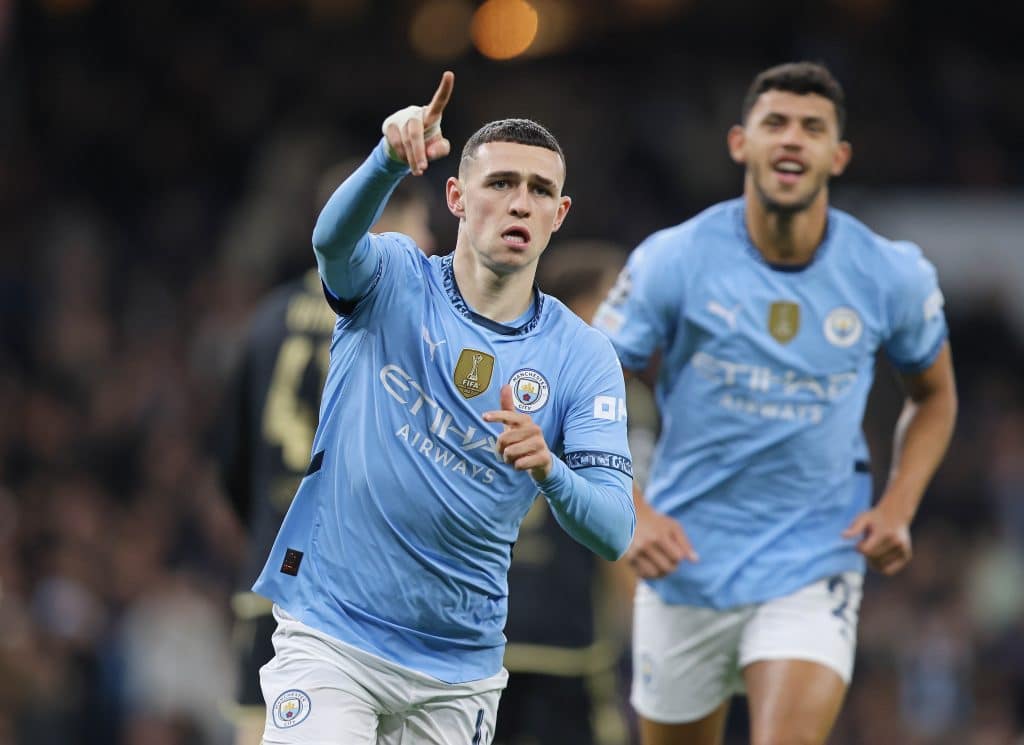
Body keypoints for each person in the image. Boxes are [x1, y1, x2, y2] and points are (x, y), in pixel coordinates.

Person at [251, 71, 636, 745]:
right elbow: (331, 246)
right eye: (501, 184)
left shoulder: (584, 356)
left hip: (458, 668)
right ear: (456, 197)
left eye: (540, 190)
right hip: (334, 632)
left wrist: (550, 467)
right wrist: (385, 163)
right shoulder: (396, 276)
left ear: (560, 214)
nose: (520, 203)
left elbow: (613, 527)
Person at [592, 61, 957, 745]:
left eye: (812, 127)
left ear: (837, 154)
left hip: (813, 558)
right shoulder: (675, 258)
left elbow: (934, 396)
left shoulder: (889, 273)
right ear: (740, 143)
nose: (793, 139)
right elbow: (586, 380)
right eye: (776, 124)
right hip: (685, 558)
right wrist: (632, 511)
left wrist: (899, 506)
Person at [218, 169, 435, 745]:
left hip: (271, 564)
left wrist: (270, 523)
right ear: (378, 221)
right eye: (418, 224)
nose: (430, 243)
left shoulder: (268, 319)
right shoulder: (401, 320)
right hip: (356, 579)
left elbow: (232, 461)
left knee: (258, 729)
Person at [495, 241, 640, 745]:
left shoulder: (500, 375)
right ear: (577, 307)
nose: (627, 318)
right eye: (614, 300)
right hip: (570, 637)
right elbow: (629, 517)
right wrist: (646, 630)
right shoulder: (612, 391)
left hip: (481, 627)